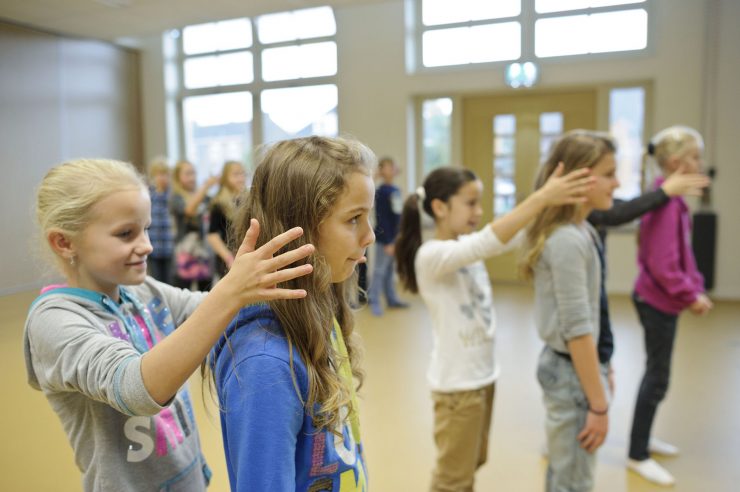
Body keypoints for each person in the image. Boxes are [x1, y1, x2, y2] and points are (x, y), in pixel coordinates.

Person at [24, 158, 315, 492]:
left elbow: (207, 309)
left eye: (146, 229)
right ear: (64, 242)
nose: (147, 245)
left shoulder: (141, 291)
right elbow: (136, 389)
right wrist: (231, 291)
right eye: (125, 234)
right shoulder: (55, 320)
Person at [394, 159, 593, 491]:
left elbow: (511, 235)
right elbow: (489, 241)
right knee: (452, 478)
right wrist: (542, 197)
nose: (478, 211)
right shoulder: (431, 256)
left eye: (479, 203)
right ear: (440, 207)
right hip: (458, 389)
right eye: (470, 203)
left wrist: (562, 202)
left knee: (472, 464)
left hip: (483, 378)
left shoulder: (463, 249)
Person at [207, 136, 374, 491]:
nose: (370, 235)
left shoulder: (318, 312)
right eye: (354, 219)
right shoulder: (265, 362)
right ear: (301, 228)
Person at [520, 130, 620, 492]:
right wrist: (599, 405)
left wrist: (604, 364)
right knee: (572, 480)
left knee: (567, 472)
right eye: (609, 173)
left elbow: (597, 311)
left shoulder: (583, 230)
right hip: (571, 376)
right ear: (579, 176)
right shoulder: (566, 241)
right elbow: (578, 329)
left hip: (580, 370)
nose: (618, 182)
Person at [627, 126, 713, 486]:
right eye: (695, 157)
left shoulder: (673, 201)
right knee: (657, 377)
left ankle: (643, 439)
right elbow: (663, 264)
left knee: (658, 374)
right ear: (677, 162)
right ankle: (637, 452)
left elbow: (683, 255)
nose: (700, 164)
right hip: (655, 300)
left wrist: (694, 286)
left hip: (662, 300)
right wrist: (688, 294)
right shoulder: (662, 204)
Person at [170, 159, 218, 291]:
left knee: (206, 288)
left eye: (194, 173)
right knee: (182, 287)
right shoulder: (176, 198)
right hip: (185, 251)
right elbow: (189, 210)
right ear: (177, 177)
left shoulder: (203, 196)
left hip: (203, 250)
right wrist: (205, 187)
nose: (192, 177)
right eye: (188, 174)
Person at [368, 156, 407, 316]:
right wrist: (388, 241)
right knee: (379, 270)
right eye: (388, 167)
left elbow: (397, 217)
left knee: (390, 270)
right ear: (382, 171)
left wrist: (398, 238)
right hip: (386, 239)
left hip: (395, 237)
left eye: (393, 167)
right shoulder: (381, 192)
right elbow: (382, 218)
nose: (392, 169)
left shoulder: (395, 190)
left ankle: (392, 299)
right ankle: (374, 301)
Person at [207, 161, 247, 282]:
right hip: (228, 259)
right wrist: (229, 258)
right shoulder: (218, 203)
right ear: (225, 178)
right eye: (235, 175)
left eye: (242, 174)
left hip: (246, 256)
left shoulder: (249, 199)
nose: (240, 178)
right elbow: (212, 235)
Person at [147, 158, 175, 284]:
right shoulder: (149, 194)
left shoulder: (172, 195)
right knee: (156, 280)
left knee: (170, 280)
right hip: (154, 246)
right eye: (159, 174)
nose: (162, 178)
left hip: (170, 246)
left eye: (166, 174)